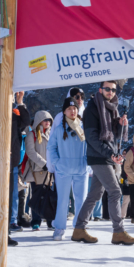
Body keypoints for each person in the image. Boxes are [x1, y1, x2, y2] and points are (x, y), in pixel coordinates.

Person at [72, 80, 134, 245]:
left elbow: (113, 135)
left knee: (95, 194)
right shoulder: (93, 109)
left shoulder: (111, 109)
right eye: (107, 89)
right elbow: (92, 138)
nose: (110, 92)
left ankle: (79, 229)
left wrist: (121, 125)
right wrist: (110, 153)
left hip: (106, 156)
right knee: (115, 192)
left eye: (113, 90)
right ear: (100, 90)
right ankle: (118, 232)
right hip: (99, 157)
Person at [47, 97, 89, 240]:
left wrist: (87, 164)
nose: (72, 111)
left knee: (81, 200)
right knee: (63, 200)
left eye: (75, 108)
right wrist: (57, 163)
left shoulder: (83, 128)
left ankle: (79, 228)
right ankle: (59, 228)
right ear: (64, 112)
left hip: (81, 169)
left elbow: (90, 147)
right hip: (63, 170)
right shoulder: (59, 129)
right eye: (69, 109)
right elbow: (51, 147)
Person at [24, 110, 54, 231]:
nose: (47, 122)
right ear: (39, 121)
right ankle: (36, 221)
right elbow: (30, 151)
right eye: (45, 120)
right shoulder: (32, 135)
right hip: (37, 171)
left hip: (50, 171)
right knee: (37, 196)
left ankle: (51, 221)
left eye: (49, 120)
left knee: (50, 196)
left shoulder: (53, 134)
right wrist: (44, 163)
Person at [8, 91, 31, 232]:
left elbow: (26, 122)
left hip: (13, 160)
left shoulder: (14, 114)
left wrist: (20, 102)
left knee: (13, 193)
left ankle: (12, 220)